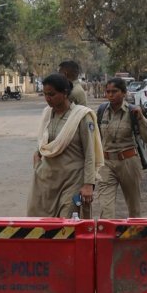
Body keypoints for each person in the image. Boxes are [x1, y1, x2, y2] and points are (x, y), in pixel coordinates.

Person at [27, 73, 103, 218]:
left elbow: (90, 153)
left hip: (72, 181)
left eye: (52, 94)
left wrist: (88, 184)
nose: (48, 98)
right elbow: (42, 144)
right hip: (46, 180)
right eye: (45, 94)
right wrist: (37, 163)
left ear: (65, 93)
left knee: (68, 223)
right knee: (41, 225)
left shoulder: (82, 116)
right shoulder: (47, 114)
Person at [95, 77, 147, 218]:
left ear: (124, 93)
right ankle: (108, 237)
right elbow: (95, 137)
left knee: (134, 206)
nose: (110, 95)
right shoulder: (101, 111)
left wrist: (140, 118)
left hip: (128, 162)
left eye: (115, 91)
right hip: (106, 163)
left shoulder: (133, 112)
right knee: (105, 207)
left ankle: (134, 235)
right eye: (108, 91)